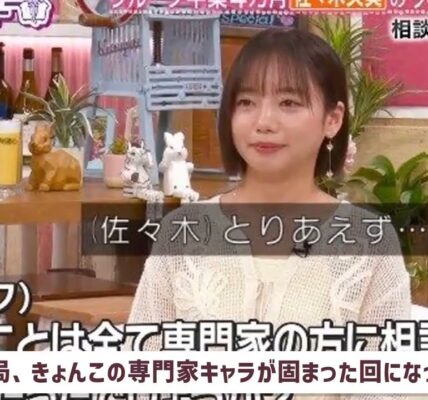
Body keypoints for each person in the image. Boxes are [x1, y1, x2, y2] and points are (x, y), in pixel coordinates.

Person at [125, 27, 412, 400]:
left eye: (288, 102)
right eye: (246, 102)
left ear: (333, 119)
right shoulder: (183, 233)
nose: (263, 121)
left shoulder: (369, 244)